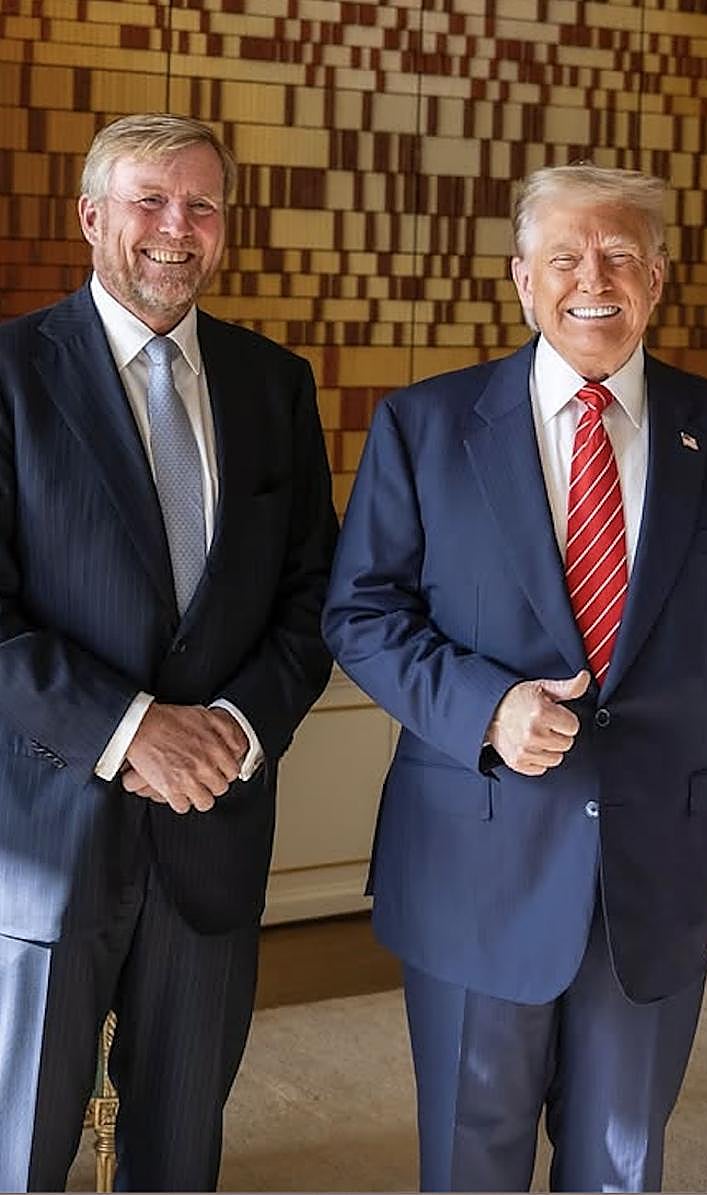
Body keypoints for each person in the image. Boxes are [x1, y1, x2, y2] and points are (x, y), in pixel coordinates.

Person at [323, 163, 707, 1192]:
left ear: (658, 278)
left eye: (621, 255)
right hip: (473, 866)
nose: (596, 278)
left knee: (621, 1166)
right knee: (471, 1158)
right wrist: (487, 707)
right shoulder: (424, 425)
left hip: (659, 876)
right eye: (567, 257)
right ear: (522, 279)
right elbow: (359, 613)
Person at [0, 113, 337, 1190]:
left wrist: (233, 730)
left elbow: (311, 596)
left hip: (214, 833)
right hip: (46, 840)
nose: (175, 229)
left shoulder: (275, 385)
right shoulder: (9, 373)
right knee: (18, 1151)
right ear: (93, 216)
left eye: (201, 205)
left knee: (180, 1153)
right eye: (150, 200)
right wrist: (129, 728)